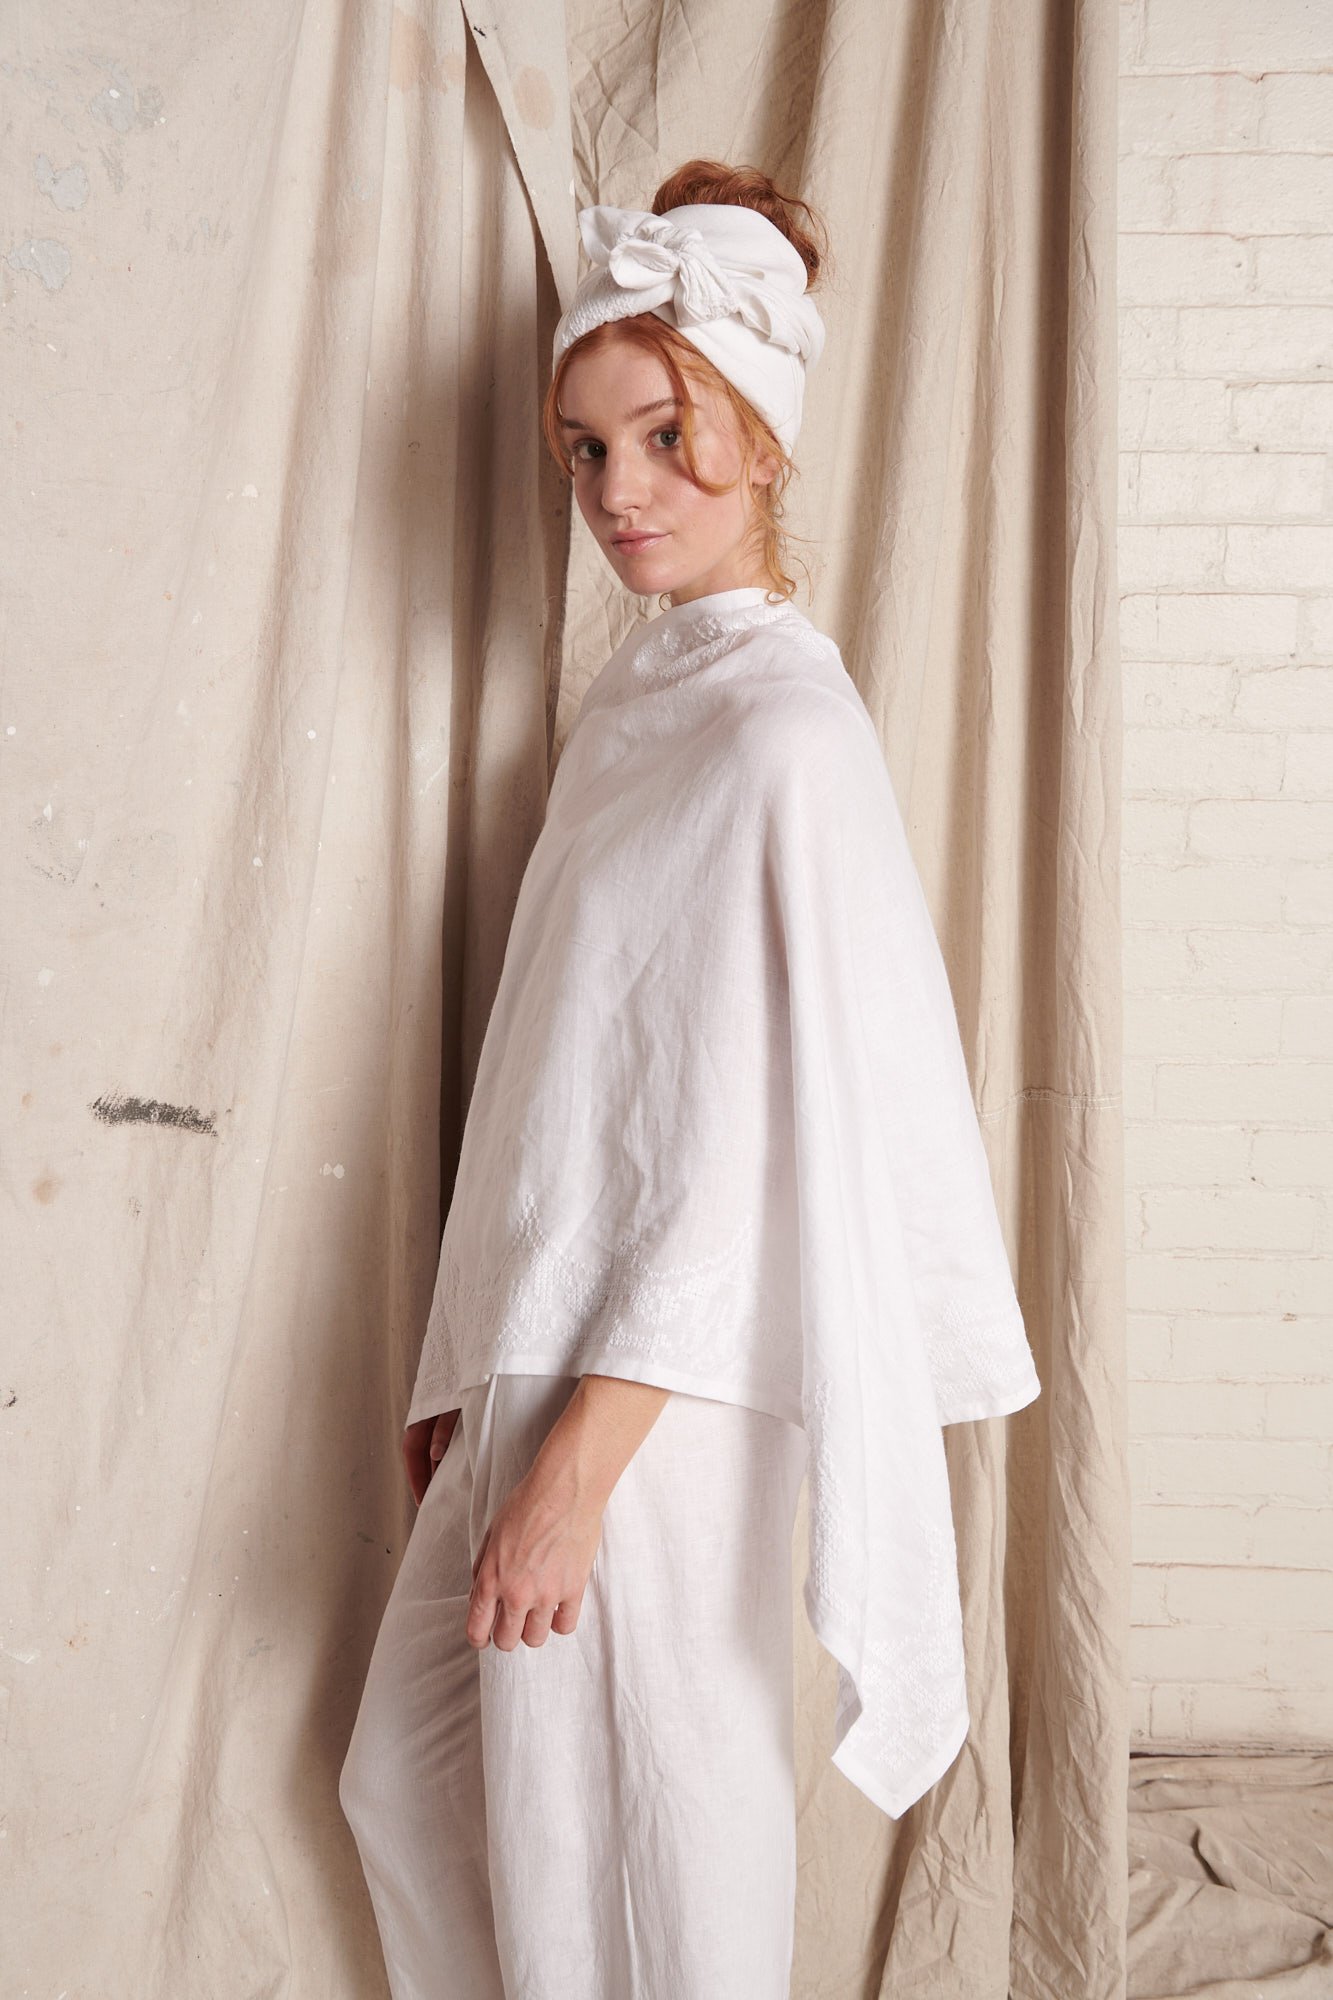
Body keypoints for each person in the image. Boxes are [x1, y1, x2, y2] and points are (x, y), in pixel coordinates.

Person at [339, 159, 1041, 2000]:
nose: (618, 492)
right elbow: (571, 1073)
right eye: (585, 450)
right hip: (545, 1347)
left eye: (664, 437)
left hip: (649, 1404)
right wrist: (468, 1354)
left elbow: (749, 1142)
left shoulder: (783, 733)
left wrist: (579, 1460)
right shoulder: (644, 709)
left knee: (648, 1849)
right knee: (418, 1789)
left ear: (762, 437)